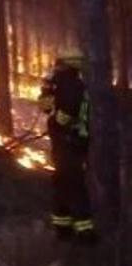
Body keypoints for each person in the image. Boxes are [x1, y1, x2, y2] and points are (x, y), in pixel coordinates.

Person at [38, 50, 94, 241]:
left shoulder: (64, 83)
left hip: (66, 140)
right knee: (70, 182)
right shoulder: (70, 83)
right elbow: (52, 108)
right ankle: (76, 229)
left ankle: (72, 229)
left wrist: (56, 123)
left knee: (66, 182)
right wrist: (46, 92)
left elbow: (55, 110)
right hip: (70, 140)